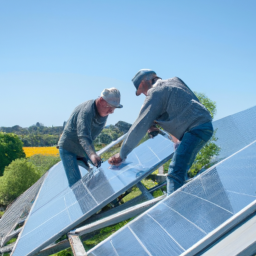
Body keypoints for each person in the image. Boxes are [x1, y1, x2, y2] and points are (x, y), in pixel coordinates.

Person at [108, 69, 213, 195]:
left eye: (142, 91)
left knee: (174, 174)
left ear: (143, 83)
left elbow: (139, 126)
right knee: (181, 172)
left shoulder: (154, 93)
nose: (144, 94)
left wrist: (122, 155)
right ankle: (185, 201)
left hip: (195, 129)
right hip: (203, 124)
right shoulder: (176, 81)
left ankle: (174, 210)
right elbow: (184, 106)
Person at [59, 88, 123, 187]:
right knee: (76, 184)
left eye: (114, 108)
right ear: (101, 100)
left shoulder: (104, 111)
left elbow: (90, 135)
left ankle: (104, 199)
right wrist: (92, 154)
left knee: (100, 171)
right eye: (110, 107)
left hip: (83, 149)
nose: (111, 111)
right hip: (69, 148)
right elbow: (83, 135)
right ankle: (82, 201)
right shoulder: (87, 111)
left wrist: (91, 154)